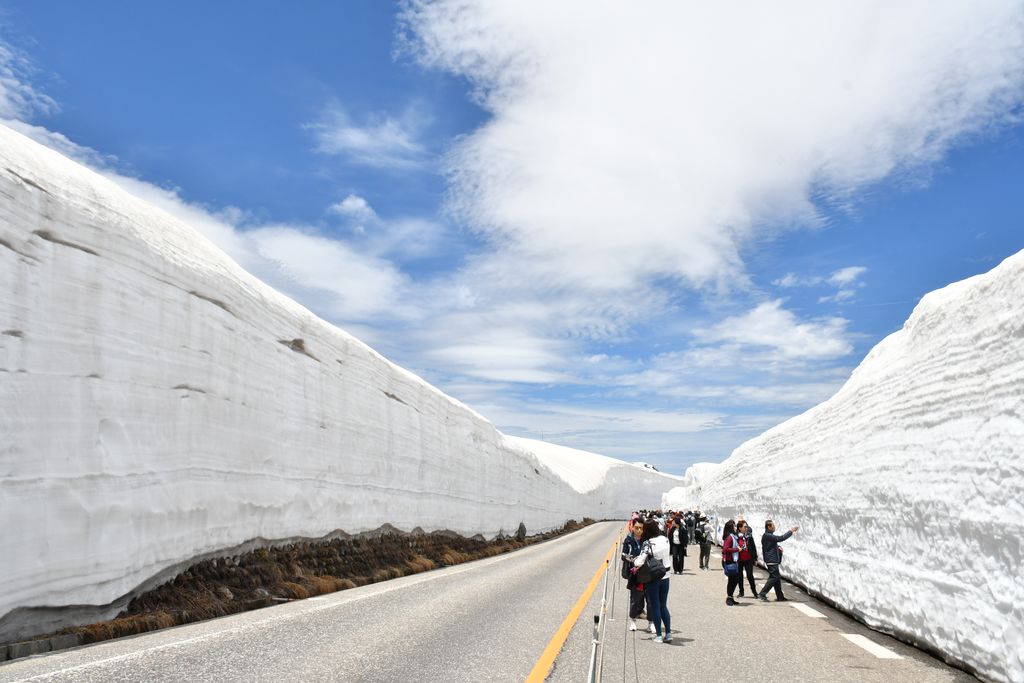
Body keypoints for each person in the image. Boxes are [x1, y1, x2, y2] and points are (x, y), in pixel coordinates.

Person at [634, 519, 672, 643]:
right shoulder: (665, 539)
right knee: (663, 605)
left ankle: (659, 636)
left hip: (654, 577)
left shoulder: (648, 543)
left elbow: (639, 561)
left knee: (655, 606)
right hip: (666, 576)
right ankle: (669, 633)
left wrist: (635, 561)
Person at [758, 520, 799, 602]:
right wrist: (791, 531)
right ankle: (762, 593)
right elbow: (780, 538)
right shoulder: (768, 535)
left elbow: (770, 546)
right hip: (771, 560)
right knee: (774, 577)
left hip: (772, 559)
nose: (774, 527)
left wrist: (778, 547)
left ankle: (780, 596)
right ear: (769, 527)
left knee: (776, 578)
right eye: (773, 526)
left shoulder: (768, 536)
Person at [622, 519, 647, 631]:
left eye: (641, 528)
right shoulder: (628, 540)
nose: (639, 530)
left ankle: (645, 615)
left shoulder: (646, 540)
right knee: (634, 597)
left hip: (646, 572)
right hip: (634, 572)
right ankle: (632, 620)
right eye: (636, 528)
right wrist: (631, 559)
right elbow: (623, 554)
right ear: (632, 527)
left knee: (647, 596)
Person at [721, 519, 743, 605]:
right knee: (733, 580)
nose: (735, 527)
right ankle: (729, 598)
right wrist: (736, 549)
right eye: (734, 526)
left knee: (734, 580)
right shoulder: (730, 537)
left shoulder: (733, 536)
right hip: (729, 561)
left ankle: (730, 597)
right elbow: (725, 549)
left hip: (732, 560)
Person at [735, 520, 758, 597]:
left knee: (750, 575)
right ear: (740, 528)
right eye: (745, 527)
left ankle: (754, 592)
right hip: (739, 559)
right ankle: (741, 592)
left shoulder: (749, 536)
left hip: (748, 559)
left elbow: (753, 547)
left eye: (746, 526)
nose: (746, 528)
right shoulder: (736, 537)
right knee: (739, 576)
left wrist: (755, 558)